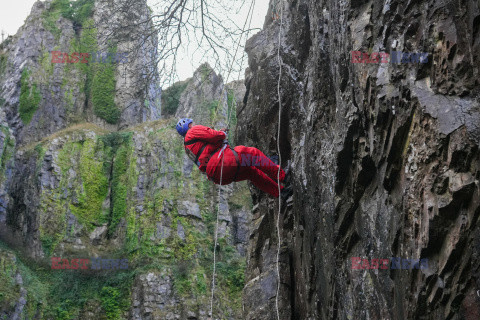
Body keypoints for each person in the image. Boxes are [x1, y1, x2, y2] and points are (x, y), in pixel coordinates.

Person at [176, 118, 292, 199]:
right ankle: (283, 176)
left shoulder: (188, 149)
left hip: (220, 176)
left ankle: (281, 193)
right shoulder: (192, 132)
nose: (193, 124)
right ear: (189, 126)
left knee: (251, 172)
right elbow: (215, 136)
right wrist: (222, 134)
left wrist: (219, 141)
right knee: (252, 154)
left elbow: (205, 155)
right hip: (224, 163)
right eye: (191, 123)